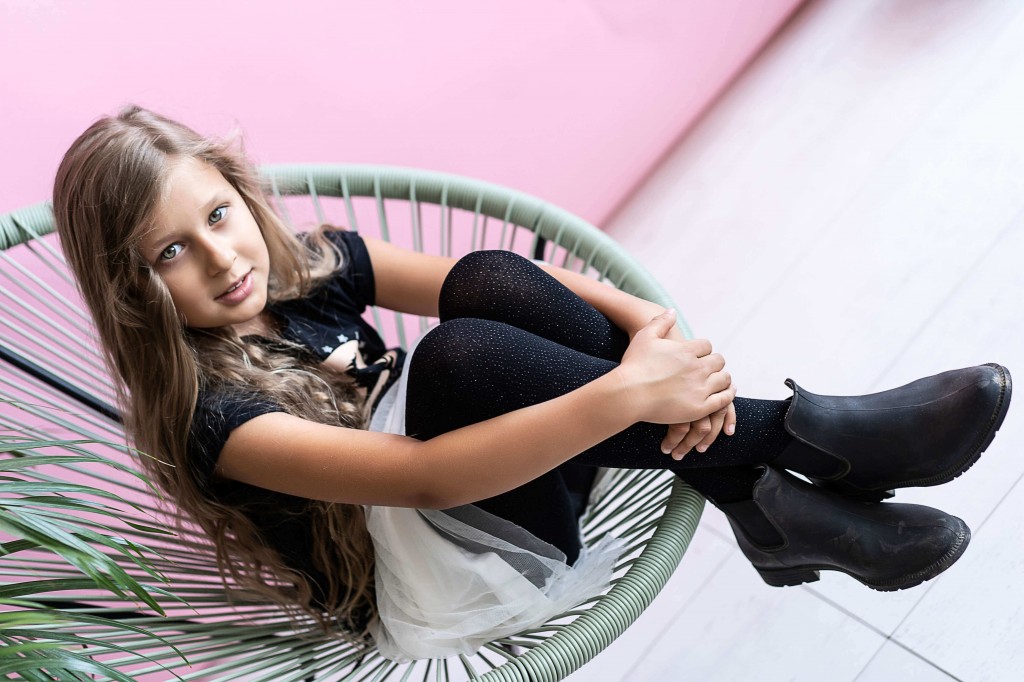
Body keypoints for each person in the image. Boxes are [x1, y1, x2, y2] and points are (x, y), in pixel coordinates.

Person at [52, 106, 1011, 661]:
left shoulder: (312, 264)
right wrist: (631, 393)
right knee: (457, 358)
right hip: (442, 571)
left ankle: (764, 493)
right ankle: (795, 446)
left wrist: (643, 325)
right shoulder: (214, 418)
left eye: (219, 215)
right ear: (130, 289)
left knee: (486, 284)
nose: (222, 257)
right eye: (171, 252)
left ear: (239, 191)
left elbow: (499, 281)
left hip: (521, 472)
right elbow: (425, 479)